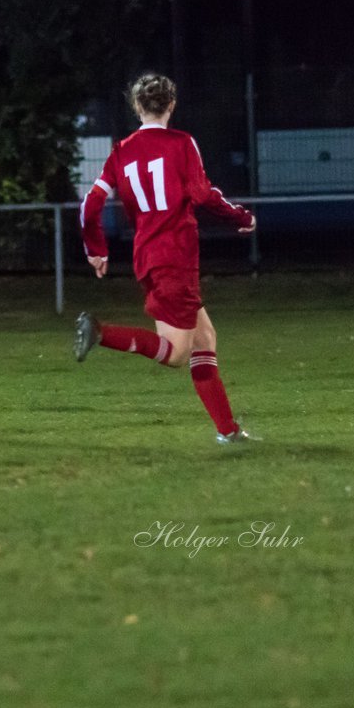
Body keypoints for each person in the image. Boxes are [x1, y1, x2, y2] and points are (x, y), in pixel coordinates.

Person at [74, 73, 258, 444]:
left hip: (147, 255)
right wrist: (241, 216)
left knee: (205, 338)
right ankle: (101, 332)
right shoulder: (182, 144)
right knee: (175, 354)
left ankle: (228, 431)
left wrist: (96, 249)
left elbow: (90, 204)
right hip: (176, 255)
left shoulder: (121, 151)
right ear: (171, 104)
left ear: (137, 106)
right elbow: (203, 195)